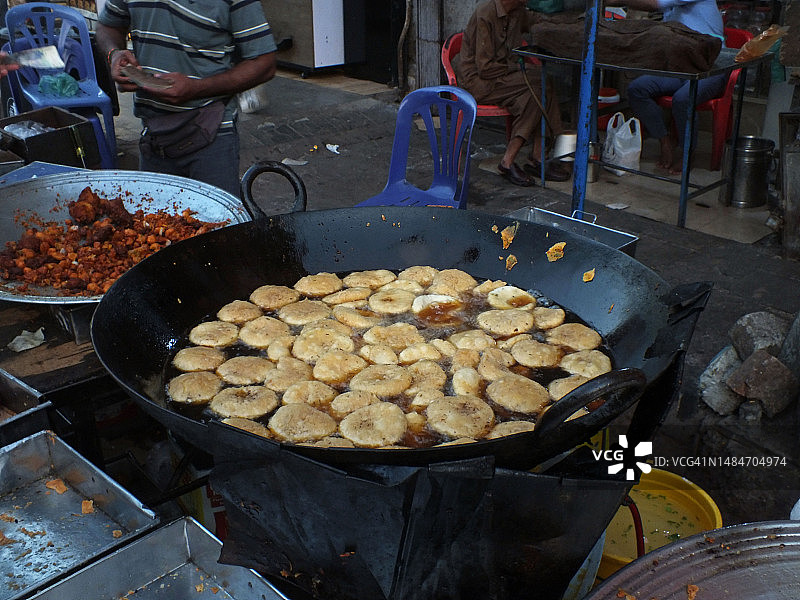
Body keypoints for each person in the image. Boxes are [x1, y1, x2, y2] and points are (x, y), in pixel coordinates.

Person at [95, 0, 277, 197]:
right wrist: (114, 54)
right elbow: (108, 25)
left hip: (211, 138)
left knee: (218, 225)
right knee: (157, 224)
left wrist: (197, 88)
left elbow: (264, 63)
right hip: (153, 139)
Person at [457, 0, 570, 186]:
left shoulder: (517, 12)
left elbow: (537, 21)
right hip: (479, 82)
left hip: (503, 77)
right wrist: (518, 68)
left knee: (534, 94)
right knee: (540, 82)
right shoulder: (486, 13)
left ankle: (519, 160)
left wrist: (566, 24)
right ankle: (535, 157)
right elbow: (485, 68)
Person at [606, 0, 726, 174]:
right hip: (682, 65)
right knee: (637, 89)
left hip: (712, 67)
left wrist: (616, 0)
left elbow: (654, 4)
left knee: (683, 98)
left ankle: (687, 153)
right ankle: (664, 141)